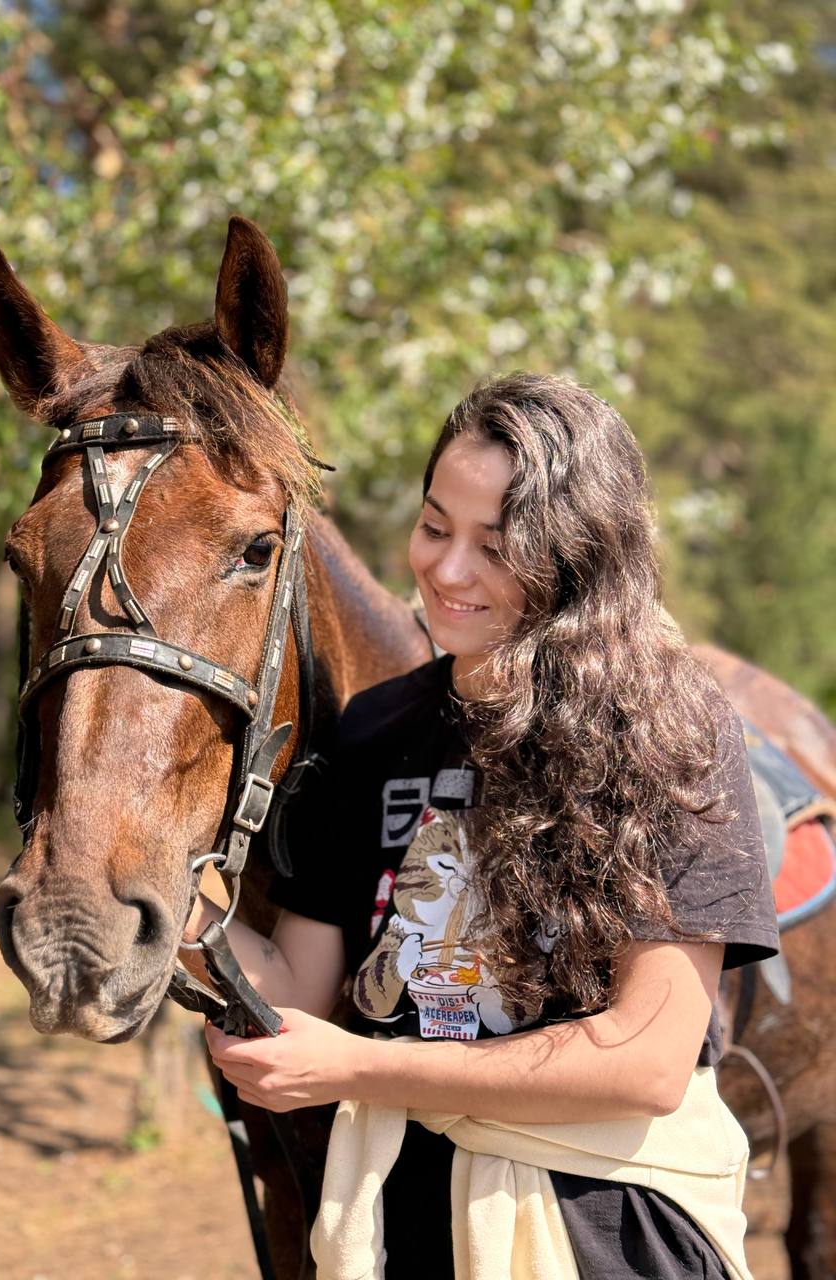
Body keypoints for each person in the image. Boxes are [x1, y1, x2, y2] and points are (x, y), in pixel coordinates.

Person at [183, 373, 779, 1279]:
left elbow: (647, 1061)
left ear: (575, 559)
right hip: (397, 1213)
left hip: (607, 1224)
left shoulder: (668, 729)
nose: (446, 571)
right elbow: (300, 987)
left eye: (495, 547)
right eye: (434, 527)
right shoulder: (376, 730)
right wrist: (163, 898)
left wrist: (359, 1071)